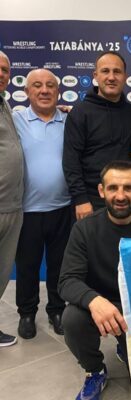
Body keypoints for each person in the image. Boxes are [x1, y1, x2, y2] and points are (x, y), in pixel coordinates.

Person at [58, 161, 131, 400]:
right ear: (101, 191)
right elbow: (67, 280)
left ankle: (125, 345)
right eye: (113, 188)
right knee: (72, 318)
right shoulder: (84, 229)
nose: (120, 196)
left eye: (128, 188)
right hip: (102, 305)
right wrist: (94, 301)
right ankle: (95, 370)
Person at [13, 69, 70, 339]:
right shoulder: (15, 120)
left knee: (60, 265)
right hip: (27, 210)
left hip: (63, 207)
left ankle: (57, 310)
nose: (44, 90)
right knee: (27, 266)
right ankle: (26, 313)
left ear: (58, 91)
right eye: (37, 85)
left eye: (50, 85)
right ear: (27, 92)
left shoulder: (70, 120)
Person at [62, 51, 131, 221]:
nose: (111, 77)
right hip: (90, 201)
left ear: (125, 77)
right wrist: (80, 199)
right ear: (95, 76)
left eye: (117, 72)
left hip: (126, 199)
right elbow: (71, 160)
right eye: (105, 71)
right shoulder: (80, 113)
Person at [0, 51, 24, 347]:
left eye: (5, 69)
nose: (1, 74)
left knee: (2, 272)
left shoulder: (5, 104)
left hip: (12, 206)